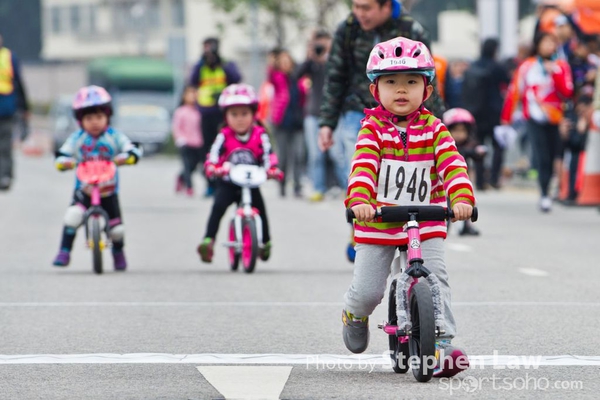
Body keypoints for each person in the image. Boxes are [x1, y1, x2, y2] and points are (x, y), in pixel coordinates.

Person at [342, 37, 474, 378]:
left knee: (435, 277)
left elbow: (453, 165)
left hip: (426, 217)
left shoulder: (435, 129)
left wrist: (460, 199)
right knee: (368, 291)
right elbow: (364, 166)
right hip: (379, 220)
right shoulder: (372, 130)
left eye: (412, 82)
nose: (402, 90)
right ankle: (354, 314)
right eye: (391, 82)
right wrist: (359, 201)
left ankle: (441, 345)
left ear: (426, 91)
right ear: (376, 91)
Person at [317, 0, 443, 262]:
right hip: (358, 110)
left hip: (409, 114)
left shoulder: (411, 29)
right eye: (356, 7)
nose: (360, 13)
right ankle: (362, 225)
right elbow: (335, 76)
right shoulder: (348, 29)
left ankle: (409, 225)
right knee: (360, 165)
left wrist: (437, 126)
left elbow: (428, 79)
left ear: (386, 6)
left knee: (408, 167)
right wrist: (327, 123)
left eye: (367, 8)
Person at [52, 86, 142, 270]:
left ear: (107, 117)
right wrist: (64, 162)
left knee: (117, 230)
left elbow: (131, 147)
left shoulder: (113, 136)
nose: (94, 122)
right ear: (80, 120)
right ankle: (64, 250)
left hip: (108, 190)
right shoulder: (78, 138)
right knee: (72, 217)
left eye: (99, 117)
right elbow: (62, 153)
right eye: (89, 118)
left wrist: (130, 156)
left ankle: (118, 253)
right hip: (84, 188)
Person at [197, 84, 282, 263]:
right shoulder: (224, 135)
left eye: (244, 114)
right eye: (234, 114)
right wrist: (212, 166)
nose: (239, 119)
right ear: (226, 116)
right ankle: (208, 241)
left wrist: (271, 169)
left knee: (261, 209)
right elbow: (213, 155)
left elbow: (268, 155)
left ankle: (265, 242)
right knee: (218, 207)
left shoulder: (260, 135)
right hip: (228, 182)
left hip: (251, 184)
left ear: (253, 114)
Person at [501, 31, 574, 213]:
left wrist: (554, 74)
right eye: (545, 42)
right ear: (538, 45)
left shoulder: (561, 66)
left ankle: (551, 189)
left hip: (556, 119)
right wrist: (506, 118)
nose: (549, 46)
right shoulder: (527, 66)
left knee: (553, 157)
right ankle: (544, 194)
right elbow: (514, 92)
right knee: (541, 156)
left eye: (552, 42)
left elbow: (567, 92)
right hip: (533, 118)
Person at [295, 29, 347, 202]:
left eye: (324, 44)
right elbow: (296, 75)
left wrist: (329, 55)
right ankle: (318, 188)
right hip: (313, 114)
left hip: (334, 114)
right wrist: (310, 56)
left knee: (337, 153)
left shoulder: (335, 61)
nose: (321, 48)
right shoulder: (312, 64)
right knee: (315, 155)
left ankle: (349, 188)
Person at [189, 37, 241, 197]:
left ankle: (224, 182)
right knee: (208, 150)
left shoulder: (225, 64)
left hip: (223, 113)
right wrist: (201, 62)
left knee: (225, 148)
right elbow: (192, 81)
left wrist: (221, 63)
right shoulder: (200, 66)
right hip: (206, 113)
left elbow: (236, 78)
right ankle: (210, 183)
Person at [462, 38, 510, 190]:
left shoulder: (473, 66)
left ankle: (480, 181)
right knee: (498, 146)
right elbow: (508, 82)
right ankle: (494, 178)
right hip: (494, 113)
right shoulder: (497, 67)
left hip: (476, 113)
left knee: (479, 146)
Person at [443, 108, 487, 236]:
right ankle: (444, 225)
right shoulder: (445, 147)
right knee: (447, 204)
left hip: (462, 180)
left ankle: (467, 225)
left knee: (467, 200)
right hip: (447, 182)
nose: (459, 134)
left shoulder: (469, 146)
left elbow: (476, 155)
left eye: (462, 131)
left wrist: (480, 153)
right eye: (455, 130)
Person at [268, 49, 306, 198]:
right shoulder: (277, 77)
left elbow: (303, 96)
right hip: (281, 121)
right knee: (283, 156)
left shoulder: (298, 78)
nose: (285, 64)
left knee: (298, 155)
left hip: (298, 121)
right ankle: (282, 185)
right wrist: (272, 61)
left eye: (287, 61)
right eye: (282, 62)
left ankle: (297, 186)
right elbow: (270, 73)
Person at [0, 34, 29, 191]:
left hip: (5, 109)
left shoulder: (9, 57)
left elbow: (18, 83)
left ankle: (5, 176)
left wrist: (25, 108)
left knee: (4, 145)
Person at [172, 85, 203, 197]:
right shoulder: (180, 111)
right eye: (189, 94)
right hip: (185, 142)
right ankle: (190, 187)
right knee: (187, 165)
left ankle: (181, 177)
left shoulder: (199, 112)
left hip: (197, 142)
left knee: (194, 166)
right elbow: (176, 127)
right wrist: (180, 139)